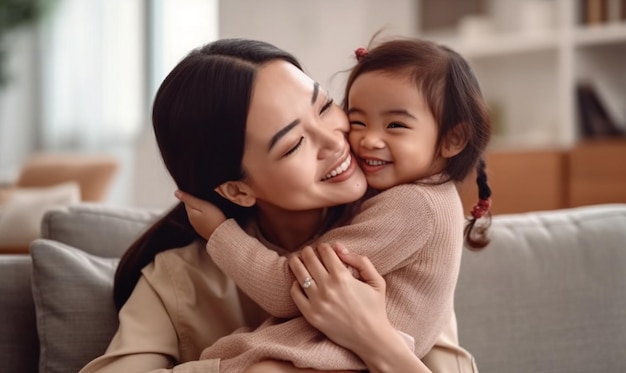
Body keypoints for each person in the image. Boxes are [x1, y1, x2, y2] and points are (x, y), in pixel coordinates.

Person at [79, 38, 437, 373]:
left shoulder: (400, 231)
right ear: (237, 190)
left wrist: (373, 339)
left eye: (325, 105)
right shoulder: (177, 277)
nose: (333, 141)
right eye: (294, 144)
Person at [177, 37, 491, 372]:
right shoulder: (427, 198)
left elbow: (289, 290)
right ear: (237, 190)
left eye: (395, 125)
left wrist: (220, 233)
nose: (367, 139)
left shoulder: (414, 207)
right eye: (358, 120)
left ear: (452, 139)